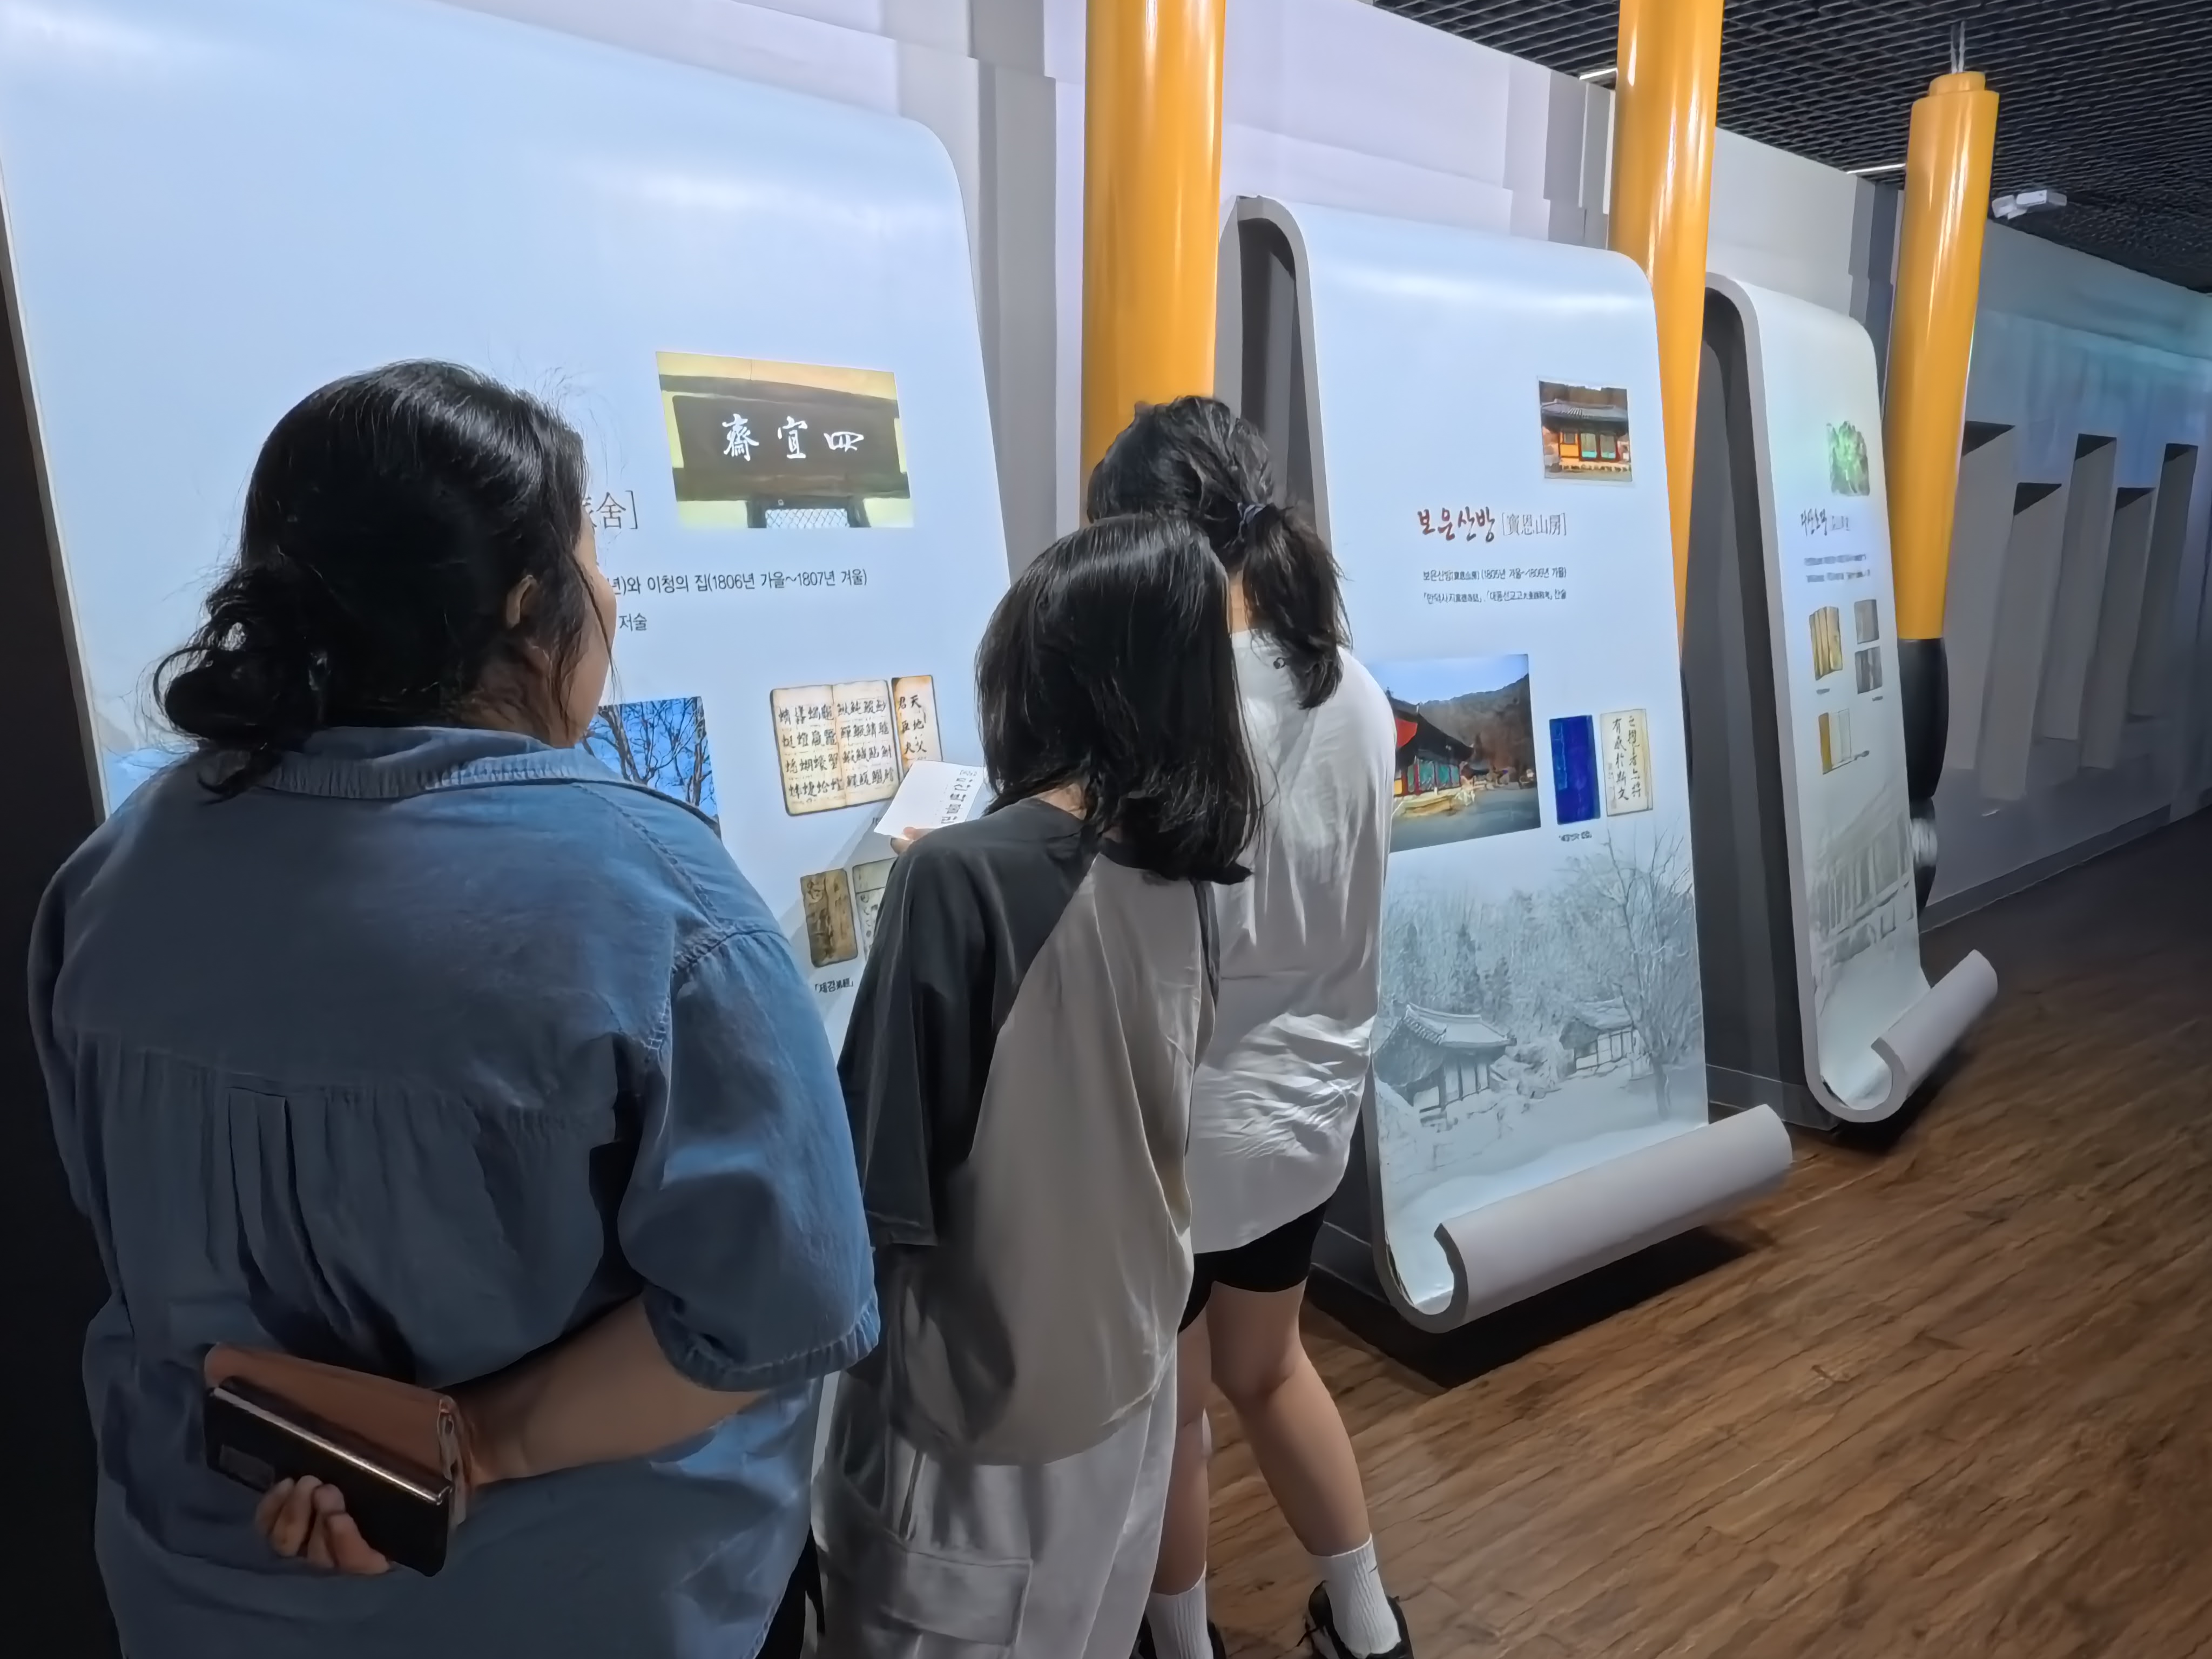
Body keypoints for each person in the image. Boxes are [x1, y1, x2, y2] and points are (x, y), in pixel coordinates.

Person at [29, 362, 877, 1659]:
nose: (611, 599)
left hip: (198, 1590)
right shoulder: (656, 899)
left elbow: (123, 1231)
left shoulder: (115, 876)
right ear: (528, 606)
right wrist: (471, 1442)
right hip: (577, 1605)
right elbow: (780, 1313)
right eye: (594, 559)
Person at [815, 514, 1261, 1658]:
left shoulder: (956, 878)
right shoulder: (1190, 878)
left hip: (971, 1425)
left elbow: (871, 1199)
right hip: (1126, 1387)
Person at [1087, 397, 1411, 1659]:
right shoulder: (1355, 688)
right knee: (1271, 1369)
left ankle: (1182, 1648)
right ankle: (1368, 1629)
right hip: (1309, 1112)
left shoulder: (1171, 707)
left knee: (1173, 1414)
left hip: (1184, 1131)